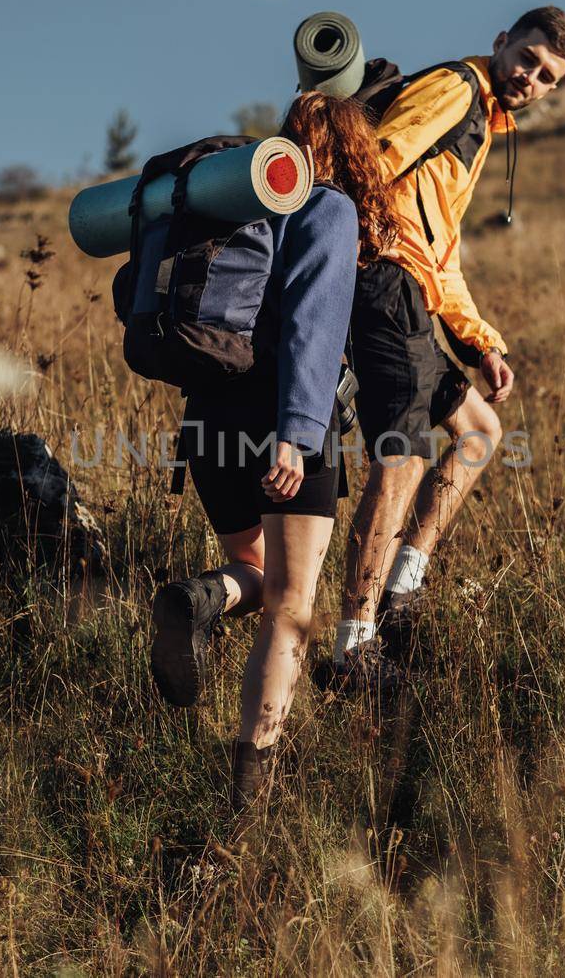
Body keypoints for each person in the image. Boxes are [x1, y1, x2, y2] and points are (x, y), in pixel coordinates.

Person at [148, 92, 399, 809]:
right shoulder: (328, 208)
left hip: (207, 421)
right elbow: (313, 335)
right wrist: (295, 431)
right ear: (351, 150)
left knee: (250, 570)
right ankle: (251, 788)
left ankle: (203, 595)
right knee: (292, 605)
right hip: (284, 426)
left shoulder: (233, 211)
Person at [329, 6, 565, 684]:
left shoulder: (486, 122)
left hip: (413, 285)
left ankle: (400, 592)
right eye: (527, 59)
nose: (529, 77)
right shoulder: (457, 90)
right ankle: (354, 644)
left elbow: (443, 251)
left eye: (545, 76)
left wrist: (481, 343)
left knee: (479, 429)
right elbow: (376, 159)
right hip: (384, 283)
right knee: (401, 460)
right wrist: (361, 248)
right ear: (503, 42)